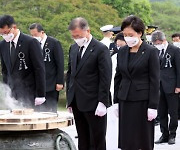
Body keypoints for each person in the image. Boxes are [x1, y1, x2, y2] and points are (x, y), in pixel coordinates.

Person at [114, 15, 160, 150]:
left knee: (142, 138)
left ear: (139, 33)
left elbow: (155, 80)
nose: (127, 38)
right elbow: (118, 76)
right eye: (125, 34)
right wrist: (116, 100)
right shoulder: (122, 51)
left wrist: (153, 105)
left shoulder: (150, 51)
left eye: (131, 34)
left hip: (143, 101)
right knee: (127, 138)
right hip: (125, 99)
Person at [66, 17, 112, 150]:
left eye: (78, 35)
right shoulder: (73, 48)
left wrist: (103, 102)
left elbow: (105, 77)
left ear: (87, 31)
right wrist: (70, 98)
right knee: (83, 137)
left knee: (96, 139)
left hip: (94, 102)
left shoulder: (100, 49)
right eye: (73, 36)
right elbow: (71, 74)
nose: (76, 38)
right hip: (77, 101)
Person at [0, 15, 46, 109]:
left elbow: (39, 68)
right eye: (1, 34)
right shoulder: (3, 45)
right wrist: (6, 91)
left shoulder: (30, 42)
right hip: (12, 93)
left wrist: (40, 94)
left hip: (29, 91)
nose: (4, 36)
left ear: (14, 27)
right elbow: (5, 70)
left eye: (5, 32)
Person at [152, 30, 180, 145]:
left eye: (159, 42)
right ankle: (164, 134)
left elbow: (179, 69)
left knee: (173, 112)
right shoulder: (154, 51)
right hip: (158, 86)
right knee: (161, 112)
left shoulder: (175, 50)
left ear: (164, 40)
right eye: (155, 43)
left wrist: (178, 85)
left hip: (172, 86)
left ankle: (172, 134)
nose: (157, 45)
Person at [29, 23, 64, 112]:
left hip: (51, 83)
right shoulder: (32, 43)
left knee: (50, 109)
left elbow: (60, 63)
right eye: (31, 35)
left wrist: (60, 81)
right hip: (37, 84)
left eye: (35, 35)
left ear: (42, 32)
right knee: (38, 111)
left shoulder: (54, 43)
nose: (33, 37)